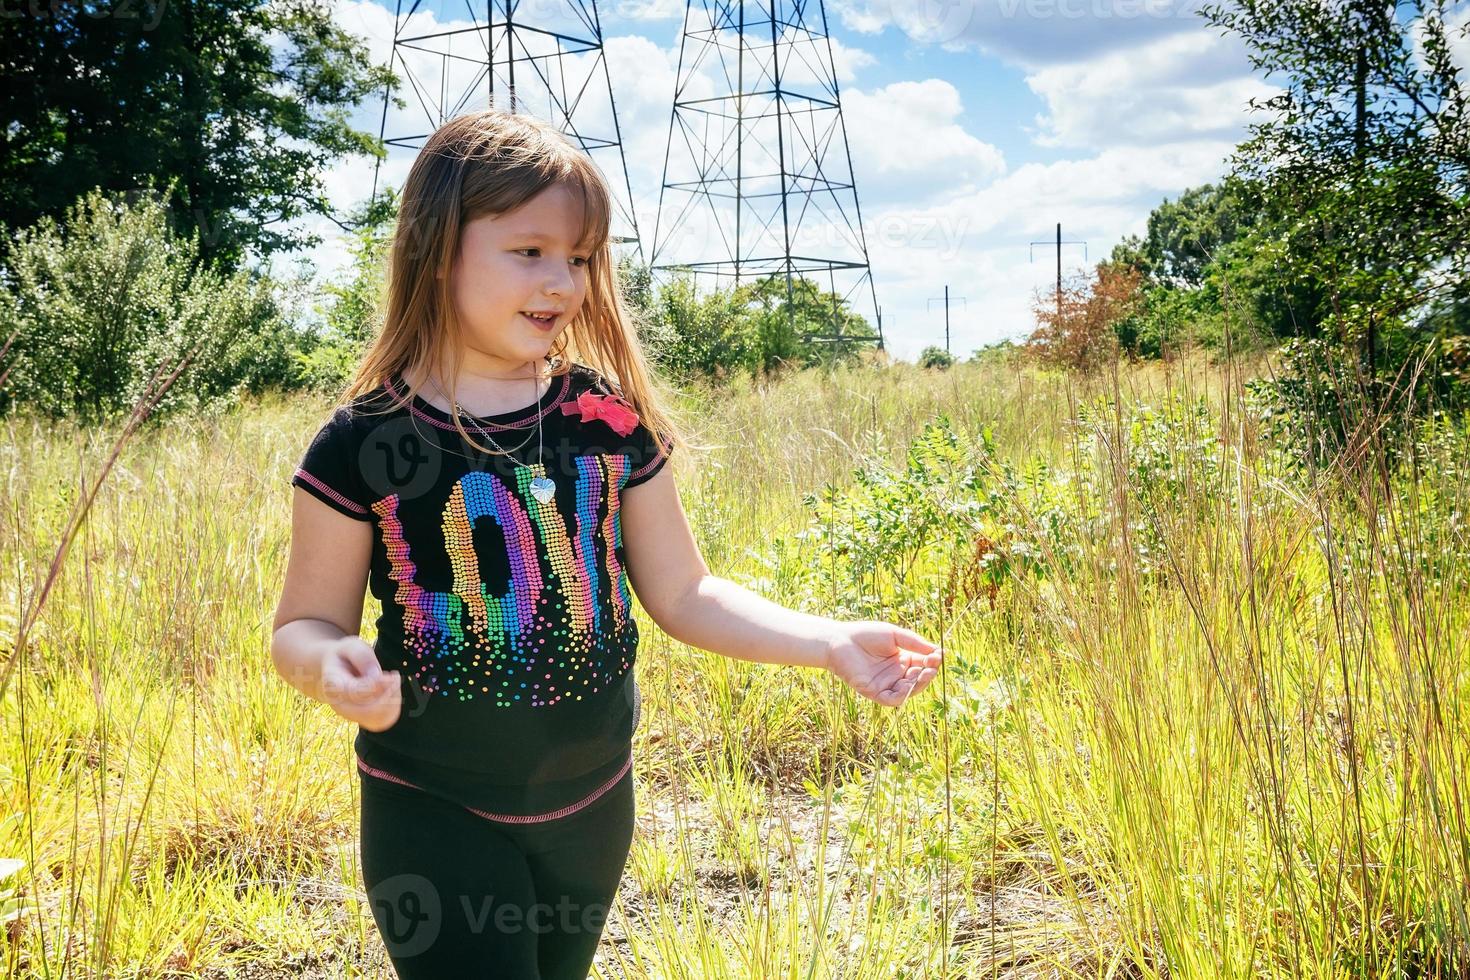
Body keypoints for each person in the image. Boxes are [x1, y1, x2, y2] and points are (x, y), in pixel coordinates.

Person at [269, 107, 944, 979]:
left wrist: (827, 641)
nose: (563, 281)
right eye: (530, 251)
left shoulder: (606, 422)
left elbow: (686, 593)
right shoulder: (363, 441)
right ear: (437, 246)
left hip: (593, 805)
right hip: (431, 808)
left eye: (580, 258)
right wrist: (329, 666)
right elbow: (302, 626)